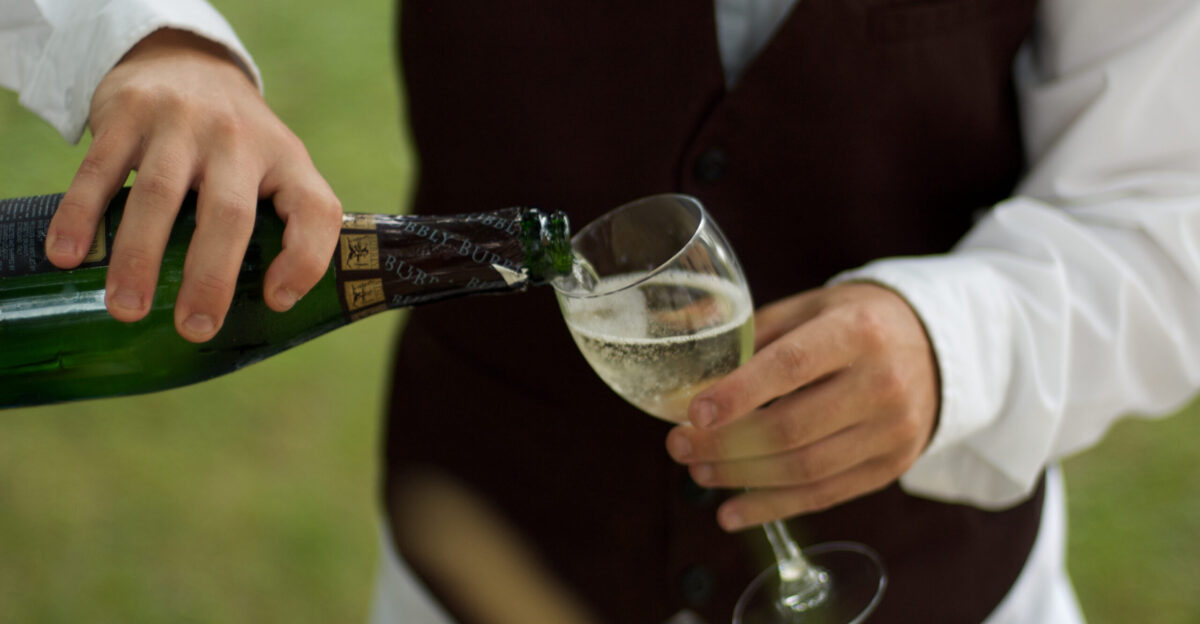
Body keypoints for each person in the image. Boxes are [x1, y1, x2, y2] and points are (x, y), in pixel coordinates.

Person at [3, 0, 1200, 622]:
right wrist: (153, 39)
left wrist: (959, 344)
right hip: (481, 565)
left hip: (947, 593)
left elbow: (1171, 202)